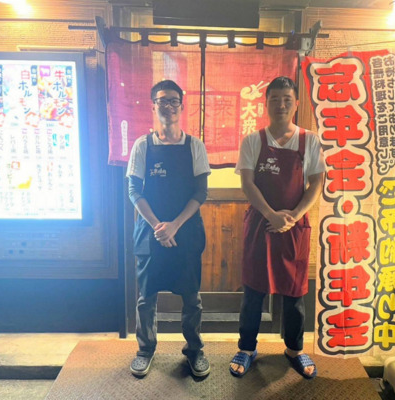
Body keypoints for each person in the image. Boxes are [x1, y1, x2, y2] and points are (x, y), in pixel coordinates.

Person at [229, 76, 325, 379]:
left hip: (294, 227)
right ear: (266, 103)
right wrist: (271, 214)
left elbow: (316, 183)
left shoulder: (309, 140)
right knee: (253, 291)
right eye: (275, 99)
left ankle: (294, 349)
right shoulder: (253, 141)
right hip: (261, 224)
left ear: (296, 104)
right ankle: (246, 348)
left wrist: (293, 216)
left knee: (295, 292)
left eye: (287, 99)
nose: (281, 104)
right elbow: (247, 183)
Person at [126, 80, 211, 378]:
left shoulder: (194, 146)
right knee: (146, 297)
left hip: (186, 231)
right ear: (153, 106)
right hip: (151, 233)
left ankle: (194, 350)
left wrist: (174, 225)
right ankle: (145, 350)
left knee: (191, 297)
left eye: (173, 100)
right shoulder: (142, 145)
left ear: (181, 106)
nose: (168, 106)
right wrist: (158, 226)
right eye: (162, 100)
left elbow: (201, 192)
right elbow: (134, 191)